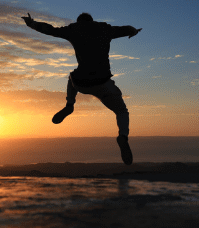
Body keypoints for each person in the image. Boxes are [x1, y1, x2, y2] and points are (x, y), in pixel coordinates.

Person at [21, 12, 142, 165]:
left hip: (81, 82)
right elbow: (126, 29)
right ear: (92, 20)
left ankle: (70, 105)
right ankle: (123, 136)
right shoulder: (105, 29)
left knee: (71, 76)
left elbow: (50, 30)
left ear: (79, 21)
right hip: (103, 83)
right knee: (121, 111)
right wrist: (134, 31)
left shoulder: (73, 30)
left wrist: (31, 23)